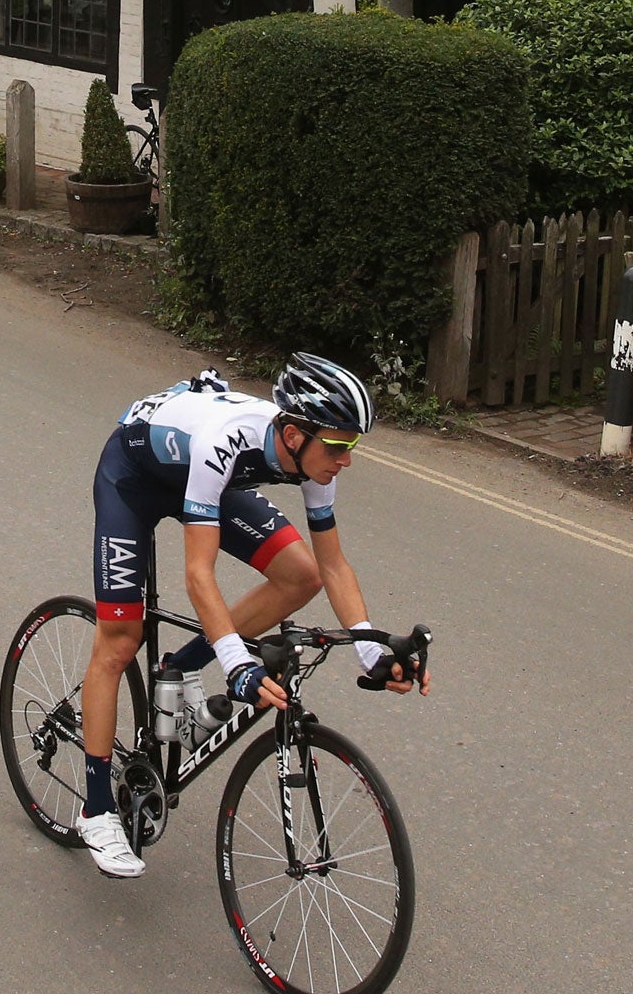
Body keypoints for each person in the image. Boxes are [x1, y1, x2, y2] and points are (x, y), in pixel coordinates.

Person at [71, 358, 429, 881]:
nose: (346, 460)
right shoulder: (228, 440)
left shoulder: (313, 457)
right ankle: (97, 810)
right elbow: (199, 574)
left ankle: (181, 663)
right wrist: (237, 661)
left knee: (300, 574)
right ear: (292, 434)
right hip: (134, 477)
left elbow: (331, 565)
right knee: (119, 642)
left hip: (204, 481)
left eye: (352, 446)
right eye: (338, 446)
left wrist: (371, 649)